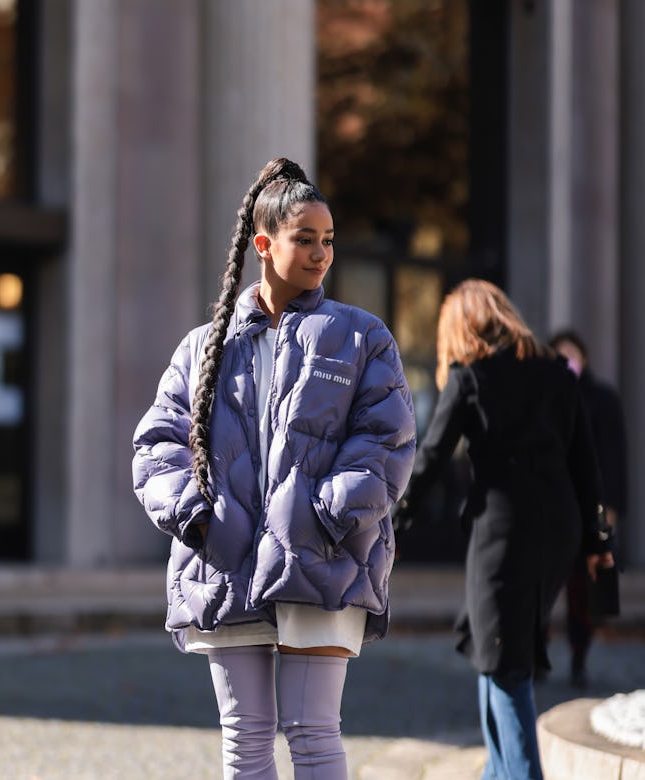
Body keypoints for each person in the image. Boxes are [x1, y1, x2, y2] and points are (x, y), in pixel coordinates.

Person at [133, 157, 416, 778]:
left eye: (329, 240)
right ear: (264, 244)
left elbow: (387, 440)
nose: (322, 254)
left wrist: (324, 516)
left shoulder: (360, 337)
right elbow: (157, 442)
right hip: (226, 560)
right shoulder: (202, 347)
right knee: (245, 741)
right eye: (305, 239)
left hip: (325, 558)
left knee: (314, 735)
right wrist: (196, 516)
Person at [394, 279, 613, 780]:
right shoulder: (558, 374)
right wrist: (599, 540)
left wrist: (395, 523)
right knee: (490, 642)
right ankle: (498, 773)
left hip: (504, 534)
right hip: (558, 531)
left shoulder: (471, 377)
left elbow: (429, 458)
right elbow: (587, 465)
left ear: (463, 327)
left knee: (506, 665)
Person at [549, 328, 628, 687]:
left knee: (583, 590)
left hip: (586, 509)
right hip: (550, 508)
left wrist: (610, 507)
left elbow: (614, 456)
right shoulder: (542, 398)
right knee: (544, 587)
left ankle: (579, 657)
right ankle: (536, 655)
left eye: (572, 355)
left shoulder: (602, 398)